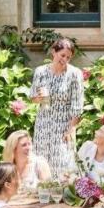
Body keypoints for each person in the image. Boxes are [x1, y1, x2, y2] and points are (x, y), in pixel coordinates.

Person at [29, 38, 84, 181]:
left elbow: (77, 105)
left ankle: (61, 195)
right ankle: (41, 195)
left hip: (64, 125)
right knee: (42, 161)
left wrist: (71, 129)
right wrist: (39, 97)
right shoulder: (40, 71)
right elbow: (33, 98)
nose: (65, 59)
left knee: (63, 163)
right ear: (54, 52)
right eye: (62, 55)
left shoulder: (75, 74)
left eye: (68, 57)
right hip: (44, 123)